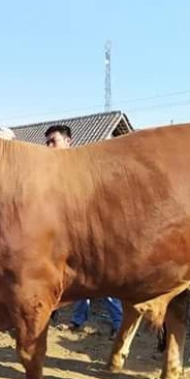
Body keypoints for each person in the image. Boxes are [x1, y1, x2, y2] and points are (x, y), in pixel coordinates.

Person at [44, 125, 123, 337]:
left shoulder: (83, 165)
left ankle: (119, 324)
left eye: (53, 141)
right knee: (78, 280)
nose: (49, 146)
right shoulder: (51, 171)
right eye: (47, 142)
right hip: (67, 234)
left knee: (102, 281)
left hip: (92, 233)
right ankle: (78, 320)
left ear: (68, 141)